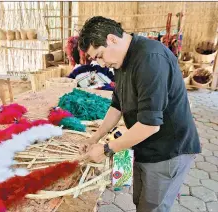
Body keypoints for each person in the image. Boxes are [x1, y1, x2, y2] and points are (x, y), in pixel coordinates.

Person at [78, 16, 201, 212]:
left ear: (112, 39)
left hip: (168, 151)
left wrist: (106, 149)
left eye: (100, 55)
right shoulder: (121, 61)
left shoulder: (150, 59)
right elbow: (117, 106)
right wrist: (95, 137)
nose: (101, 63)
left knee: (153, 208)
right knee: (141, 203)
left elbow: (150, 125)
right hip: (146, 145)